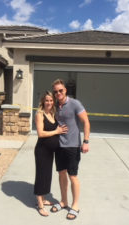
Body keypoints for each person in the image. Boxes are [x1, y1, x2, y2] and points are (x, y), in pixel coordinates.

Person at [50, 79, 90, 220]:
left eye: (60, 90)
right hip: (59, 146)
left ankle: (75, 205)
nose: (58, 93)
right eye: (55, 91)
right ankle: (63, 201)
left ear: (65, 90)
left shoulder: (75, 103)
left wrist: (85, 141)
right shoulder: (54, 106)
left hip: (72, 146)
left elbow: (86, 122)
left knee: (72, 176)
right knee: (61, 174)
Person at [34, 91, 68, 217]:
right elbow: (41, 133)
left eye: (51, 100)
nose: (49, 102)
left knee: (47, 175)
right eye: (47, 100)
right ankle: (39, 204)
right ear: (43, 101)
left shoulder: (52, 113)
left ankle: (43, 199)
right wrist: (57, 131)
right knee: (41, 175)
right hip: (42, 150)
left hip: (51, 151)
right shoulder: (40, 114)